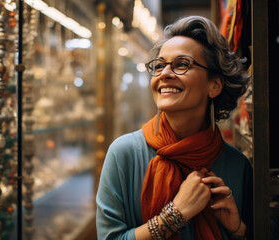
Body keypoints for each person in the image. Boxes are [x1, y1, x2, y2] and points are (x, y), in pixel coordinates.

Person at [96, 15, 253, 240]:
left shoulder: (238, 166)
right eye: (159, 65)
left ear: (214, 85)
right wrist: (175, 215)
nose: (165, 74)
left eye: (182, 64)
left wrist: (238, 230)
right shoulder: (124, 154)